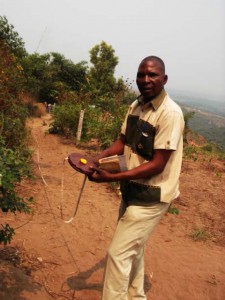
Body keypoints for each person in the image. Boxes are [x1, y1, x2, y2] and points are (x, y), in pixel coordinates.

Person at [89, 56, 184, 300]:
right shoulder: (136, 105)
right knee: (134, 249)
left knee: (118, 254)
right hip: (132, 191)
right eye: (141, 75)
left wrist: (111, 176)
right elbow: (122, 141)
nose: (146, 80)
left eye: (152, 75)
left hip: (152, 196)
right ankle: (136, 296)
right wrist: (96, 159)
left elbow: (157, 165)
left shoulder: (170, 114)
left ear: (164, 79)